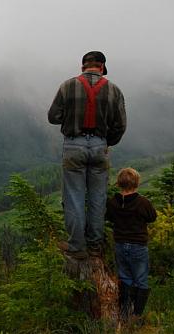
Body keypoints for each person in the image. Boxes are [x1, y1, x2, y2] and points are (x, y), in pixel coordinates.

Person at [48, 51, 127, 259]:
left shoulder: (67, 86)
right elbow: (120, 125)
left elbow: (53, 116)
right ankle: (94, 246)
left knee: (74, 197)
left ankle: (76, 247)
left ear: (83, 67)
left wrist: (72, 115)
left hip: (74, 146)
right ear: (101, 67)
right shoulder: (114, 90)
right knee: (97, 198)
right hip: (100, 146)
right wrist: (107, 142)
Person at [106, 168, 156, 322]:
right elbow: (152, 217)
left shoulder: (113, 202)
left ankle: (125, 313)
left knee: (125, 278)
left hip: (120, 245)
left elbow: (109, 217)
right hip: (138, 246)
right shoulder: (143, 202)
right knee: (140, 279)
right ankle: (137, 315)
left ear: (119, 183)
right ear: (136, 183)